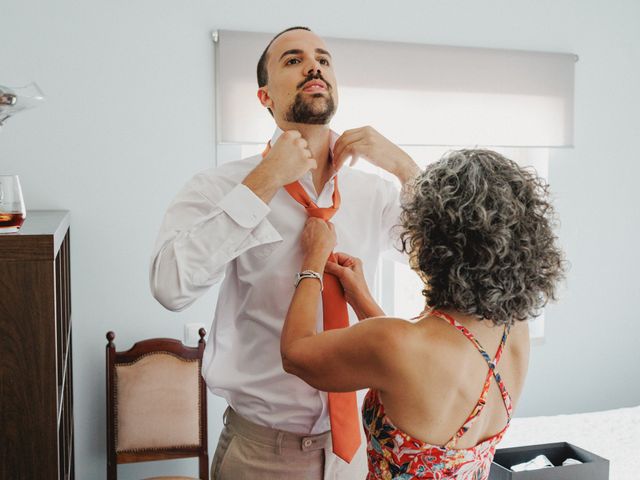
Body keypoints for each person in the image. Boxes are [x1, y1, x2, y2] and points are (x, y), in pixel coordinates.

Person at [150, 26, 420, 479]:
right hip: (261, 455)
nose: (314, 65)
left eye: (323, 59)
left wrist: (406, 168)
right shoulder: (220, 187)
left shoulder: (374, 192)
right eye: (293, 60)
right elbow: (170, 286)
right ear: (264, 98)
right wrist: (262, 184)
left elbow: (447, 261)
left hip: (355, 451)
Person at [281, 149, 565, 479]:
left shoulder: (400, 343)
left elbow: (295, 353)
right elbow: (416, 372)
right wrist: (363, 300)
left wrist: (312, 261)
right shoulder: (513, 328)